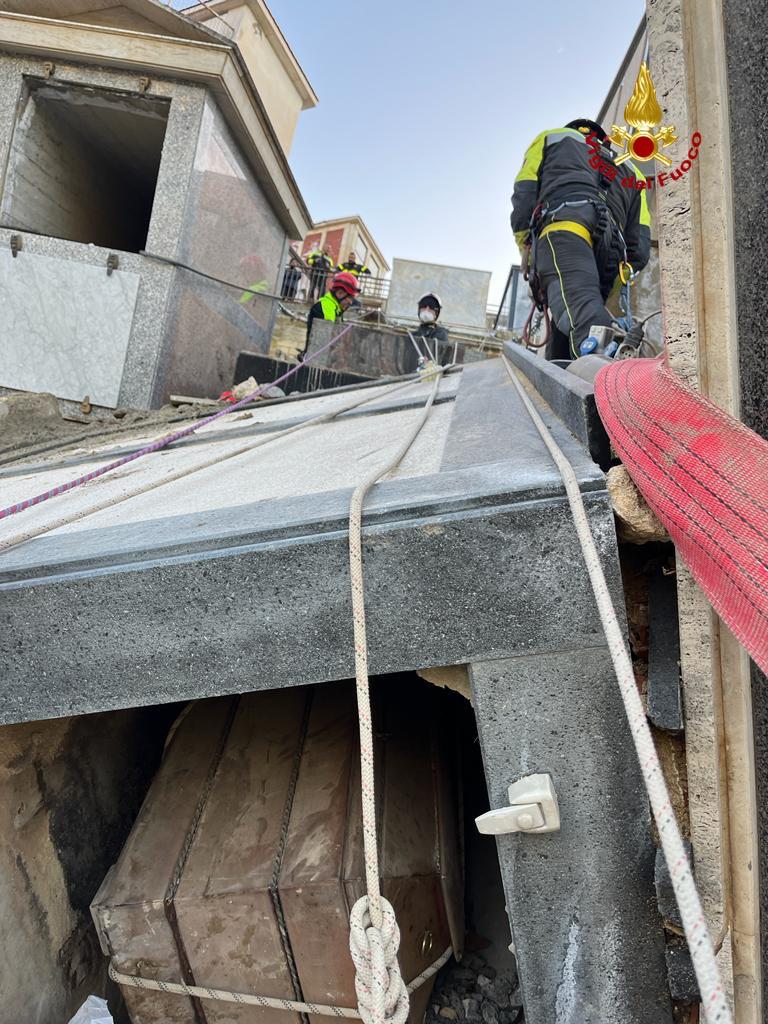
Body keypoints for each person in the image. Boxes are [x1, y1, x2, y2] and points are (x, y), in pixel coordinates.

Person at [510, 118, 651, 360]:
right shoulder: (634, 171)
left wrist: (527, 247)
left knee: (587, 322)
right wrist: (613, 281)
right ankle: (562, 371)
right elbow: (639, 249)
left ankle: (613, 381)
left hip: (566, 227)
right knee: (576, 311)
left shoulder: (550, 137)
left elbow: (525, 193)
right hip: (611, 252)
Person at [302, 271, 360, 358]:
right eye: (350, 298)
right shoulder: (327, 308)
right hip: (317, 359)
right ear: (340, 293)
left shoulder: (335, 308)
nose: (351, 302)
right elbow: (327, 341)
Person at [407, 293, 453, 368]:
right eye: (424, 306)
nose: (426, 310)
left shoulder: (440, 334)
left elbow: (438, 359)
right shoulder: (413, 335)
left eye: (431, 307)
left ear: (436, 313)